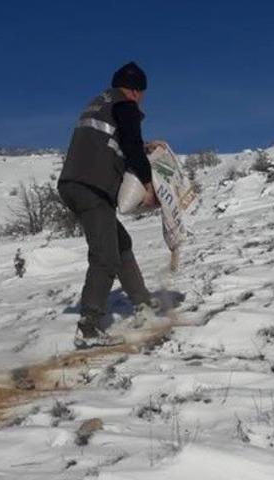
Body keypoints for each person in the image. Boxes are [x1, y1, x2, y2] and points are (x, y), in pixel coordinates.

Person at [58, 61, 159, 347]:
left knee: (120, 243)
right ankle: (89, 327)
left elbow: (112, 141)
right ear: (136, 91)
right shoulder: (125, 106)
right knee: (106, 257)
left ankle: (143, 305)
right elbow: (129, 144)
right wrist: (148, 184)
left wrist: (142, 145)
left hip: (73, 183)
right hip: (93, 187)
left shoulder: (99, 103)